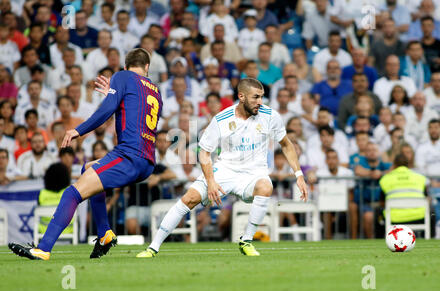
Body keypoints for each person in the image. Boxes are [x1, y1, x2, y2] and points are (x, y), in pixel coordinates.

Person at [9, 48, 163, 261]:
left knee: (71, 193)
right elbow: (135, 111)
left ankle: (43, 249)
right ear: (147, 67)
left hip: (129, 156)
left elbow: (108, 108)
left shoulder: (123, 76)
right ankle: (104, 234)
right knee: (88, 168)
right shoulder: (155, 90)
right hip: (146, 160)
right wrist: (115, 92)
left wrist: (77, 130)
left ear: (126, 66)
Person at [136, 78, 308, 258]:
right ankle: (152, 247)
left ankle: (246, 240)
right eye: (255, 97)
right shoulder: (222, 119)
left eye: (262, 97)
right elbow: (204, 152)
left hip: (254, 174)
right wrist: (210, 182)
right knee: (190, 198)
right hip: (226, 170)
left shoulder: (270, 116)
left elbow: (287, 145)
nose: (260, 102)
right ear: (241, 96)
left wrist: (299, 175)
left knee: (266, 186)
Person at [379, 153, 427, 225]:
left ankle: (381, 236)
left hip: (393, 217)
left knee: (378, 213)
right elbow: (426, 197)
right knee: (432, 212)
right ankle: (430, 235)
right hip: (418, 216)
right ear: (408, 164)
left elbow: (382, 202)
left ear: (394, 165)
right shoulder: (420, 178)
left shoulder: (385, 179)